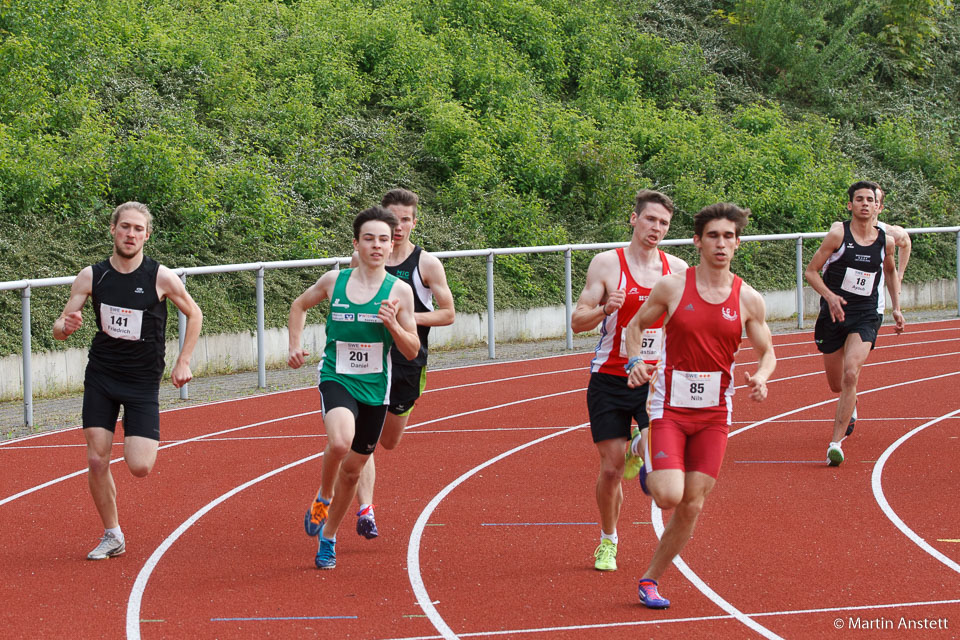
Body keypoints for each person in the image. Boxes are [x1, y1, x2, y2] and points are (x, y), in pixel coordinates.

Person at [624, 203, 776, 608]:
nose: (721, 244)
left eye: (729, 236)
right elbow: (635, 326)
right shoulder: (673, 287)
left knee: (691, 505)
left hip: (715, 415)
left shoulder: (749, 299)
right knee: (668, 497)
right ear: (697, 241)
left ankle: (650, 580)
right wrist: (637, 361)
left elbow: (768, 353)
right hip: (668, 410)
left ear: (738, 243)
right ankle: (642, 443)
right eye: (713, 236)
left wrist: (761, 377)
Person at [53, 202, 203, 560]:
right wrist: (65, 327)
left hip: (141, 382)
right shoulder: (92, 276)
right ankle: (112, 534)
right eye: (125, 228)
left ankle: (135, 439)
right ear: (113, 230)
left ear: (147, 235)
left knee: (140, 466)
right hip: (102, 375)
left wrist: (183, 361)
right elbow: (60, 327)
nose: (130, 234)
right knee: (96, 459)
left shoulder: (160, 277)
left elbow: (194, 313)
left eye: (138, 229)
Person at [287, 205, 420, 569]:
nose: (377, 246)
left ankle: (328, 537)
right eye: (369, 239)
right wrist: (294, 344)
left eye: (384, 240)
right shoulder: (335, 281)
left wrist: (393, 325)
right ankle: (323, 494)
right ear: (357, 244)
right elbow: (299, 305)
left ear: (391, 247)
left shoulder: (400, 292)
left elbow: (412, 349)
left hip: (376, 389)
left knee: (354, 470)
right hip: (337, 377)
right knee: (340, 442)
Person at [570, 189, 688, 572]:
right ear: (634, 219)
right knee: (611, 468)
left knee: (662, 467)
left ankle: (642, 444)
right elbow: (577, 320)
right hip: (609, 377)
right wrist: (606, 308)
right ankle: (608, 539)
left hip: (656, 381)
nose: (656, 228)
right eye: (650, 219)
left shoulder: (677, 270)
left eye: (664, 223)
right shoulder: (606, 265)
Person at [340, 189, 455, 540]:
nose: (400, 226)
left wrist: (405, 317)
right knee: (363, 436)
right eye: (394, 218)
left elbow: (449, 313)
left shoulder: (426, 264)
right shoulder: (362, 259)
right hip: (366, 359)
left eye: (406, 220)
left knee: (388, 441)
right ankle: (366, 509)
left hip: (407, 362)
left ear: (414, 223)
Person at [804, 181, 904, 466]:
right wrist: (830, 297)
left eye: (869, 199)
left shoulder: (886, 240)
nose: (864, 203)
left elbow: (891, 272)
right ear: (850, 205)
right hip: (833, 314)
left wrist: (896, 308)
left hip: (865, 314)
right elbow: (811, 272)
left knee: (851, 374)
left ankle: (835, 443)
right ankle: (852, 403)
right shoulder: (837, 235)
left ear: (877, 206)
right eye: (858, 199)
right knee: (837, 385)